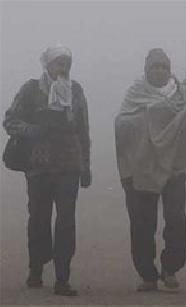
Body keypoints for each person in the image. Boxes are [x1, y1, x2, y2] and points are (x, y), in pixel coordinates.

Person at [115, 48, 186, 291]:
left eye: (163, 67)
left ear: (170, 70)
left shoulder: (180, 94)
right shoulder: (135, 94)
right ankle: (147, 275)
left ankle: (171, 267)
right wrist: (150, 119)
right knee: (142, 223)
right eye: (154, 67)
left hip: (173, 169)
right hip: (142, 170)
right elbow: (122, 125)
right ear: (146, 70)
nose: (159, 71)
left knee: (177, 220)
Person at [3, 45, 91, 296]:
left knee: (66, 220)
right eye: (57, 63)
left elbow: (83, 130)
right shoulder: (31, 89)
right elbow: (10, 120)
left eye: (66, 63)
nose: (61, 68)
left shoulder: (76, 91)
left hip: (69, 165)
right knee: (39, 218)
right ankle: (36, 268)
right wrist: (32, 130)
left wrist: (86, 165)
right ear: (47, 65)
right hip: (38, 166)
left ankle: (63, 277)